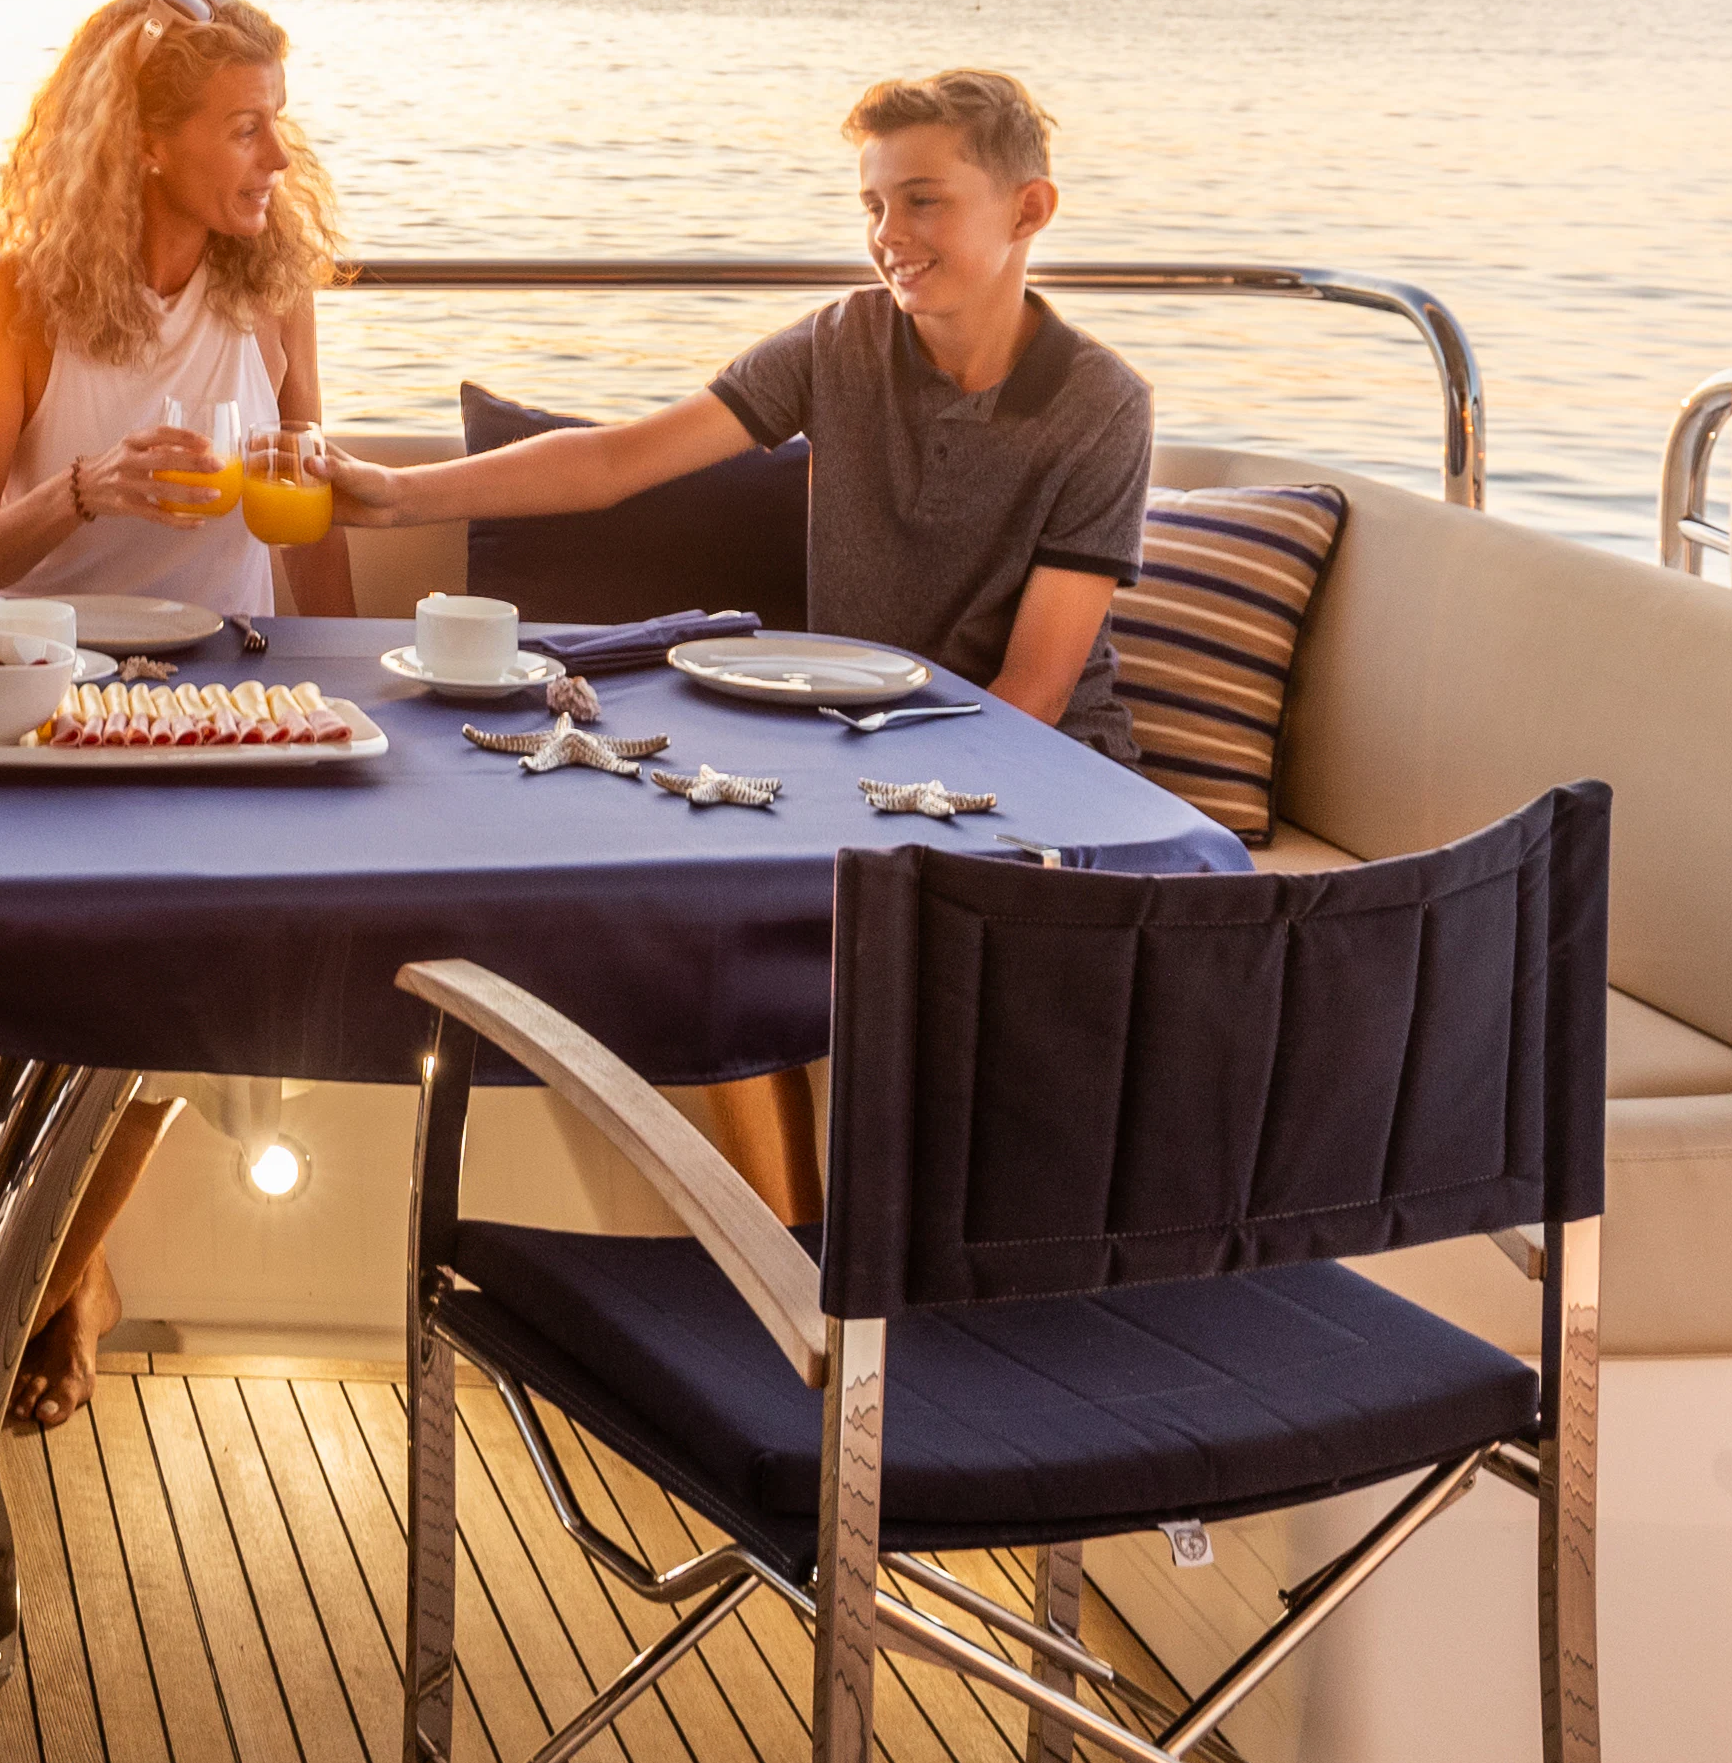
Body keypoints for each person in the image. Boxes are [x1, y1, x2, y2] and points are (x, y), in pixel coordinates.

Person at [337, 66, 1153, 1214]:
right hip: (855, 754)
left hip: (1037, 772)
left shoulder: (1103, 404)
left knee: (847, 914)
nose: (889, 236)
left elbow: (1032, 692)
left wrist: (859, 800)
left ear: (1030, 211)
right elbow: (618, 459)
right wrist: (391, 494)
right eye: (872, 204)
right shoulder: (840, 344)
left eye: (923, 201)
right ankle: (798, 1259)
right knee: (713, 897)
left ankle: (916, 1267)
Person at [0, 0, 355, 1425]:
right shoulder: (11, 300)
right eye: (245, 130)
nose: (273, 162)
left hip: (225, 690)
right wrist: (88, 490)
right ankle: (54, 1284)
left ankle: (44, 1279)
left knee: (207, 969)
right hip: (43, 697)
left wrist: (355, 685)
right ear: (145, 141)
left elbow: (312, 503)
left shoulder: (268, 287)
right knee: (43, 970)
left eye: (276, 128)